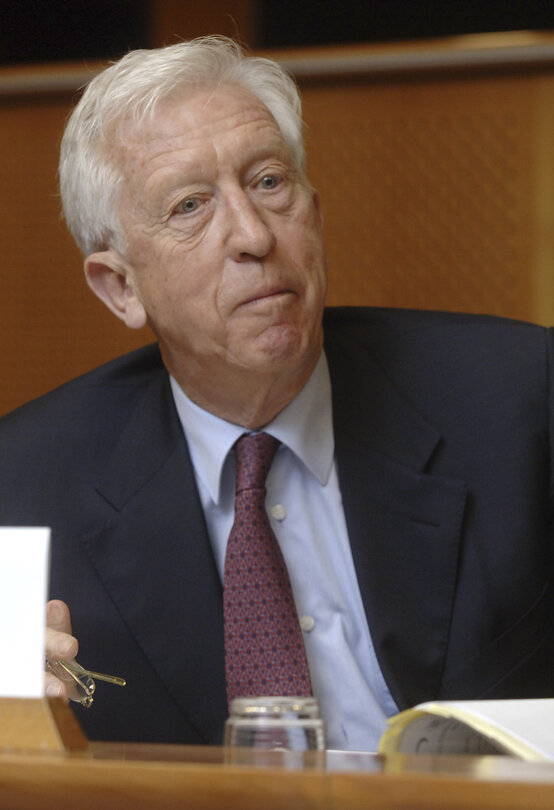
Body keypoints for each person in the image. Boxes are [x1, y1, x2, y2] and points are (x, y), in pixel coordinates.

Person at [2, 36, 554, 751]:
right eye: (190, 206)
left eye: (268, 182)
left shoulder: (524, 400)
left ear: (315, 219)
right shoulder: (21, 487)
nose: (254, 236)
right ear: (121, 287)